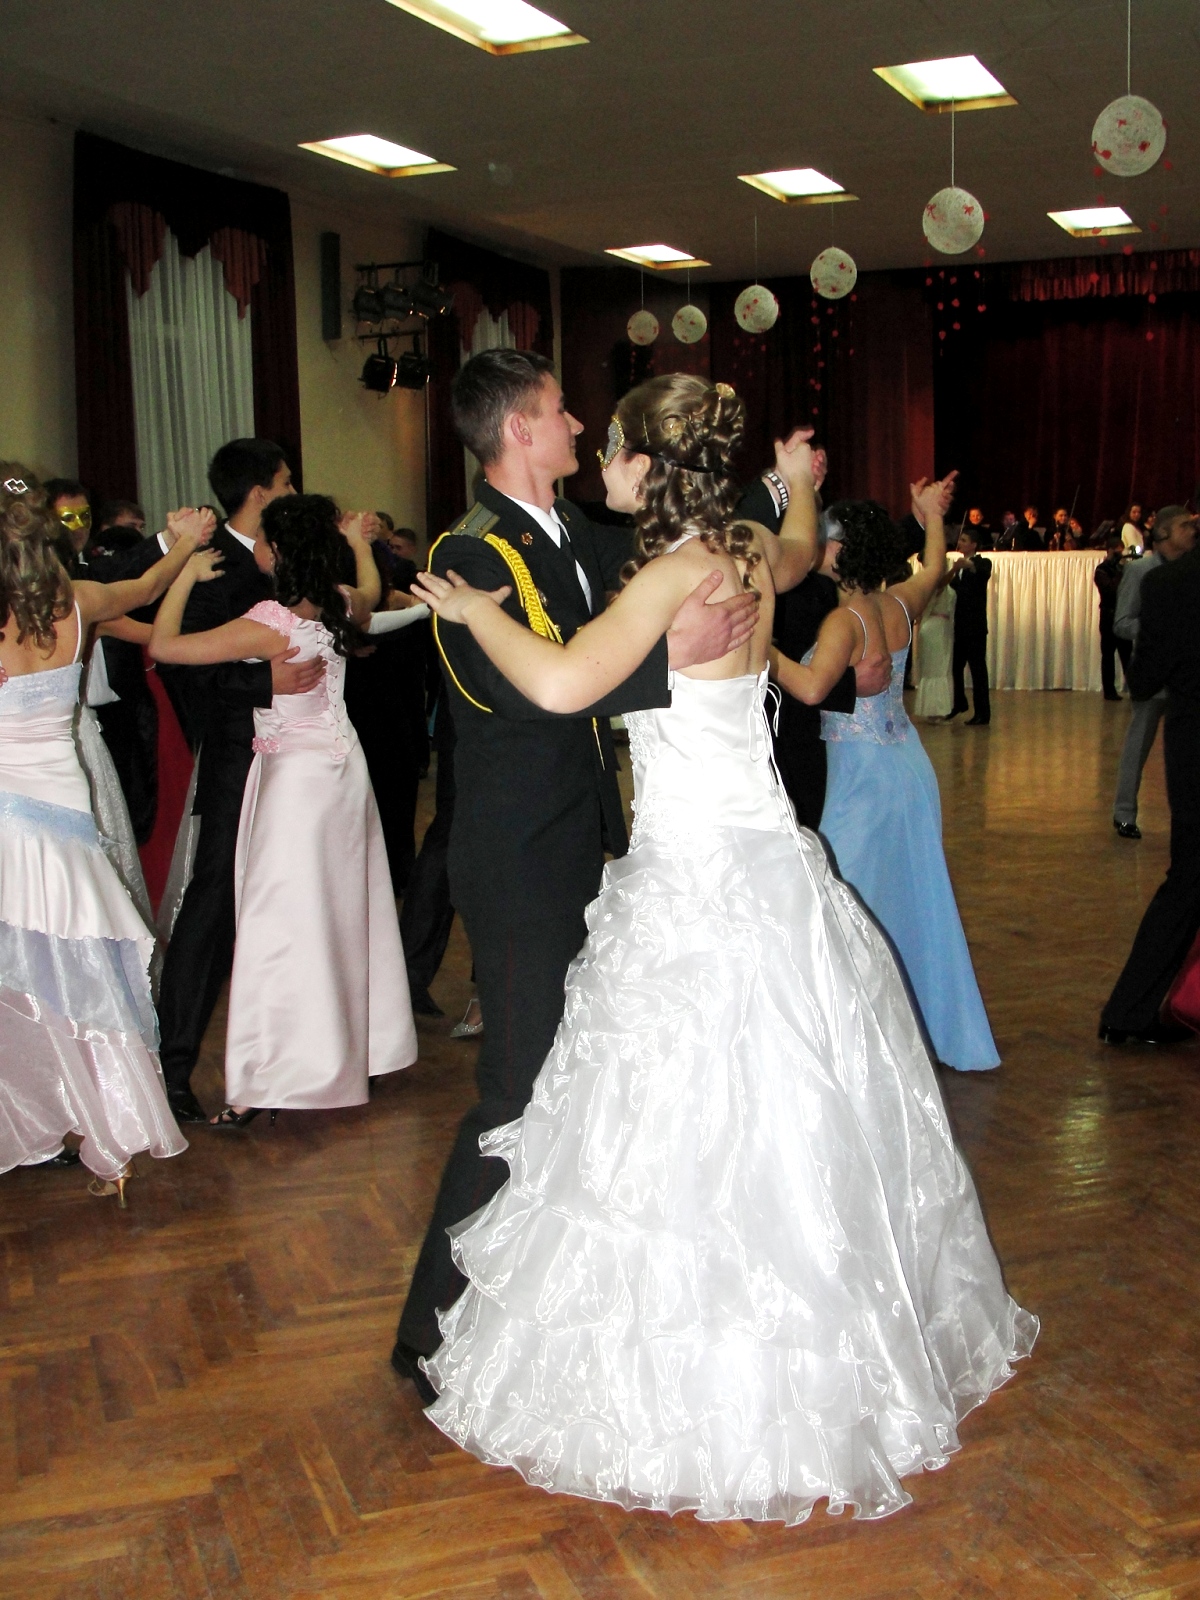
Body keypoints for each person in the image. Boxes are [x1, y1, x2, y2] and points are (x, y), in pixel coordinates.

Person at [411, 380, 1035, 1524]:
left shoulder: (665, 576)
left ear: (650, 467)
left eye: (616, 445)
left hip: (693, 876)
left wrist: (471, 613)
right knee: (791, 1111)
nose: (599, 453)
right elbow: (797, 549)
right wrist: (793, 485)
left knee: (682, 1122)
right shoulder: (746, 551)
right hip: (776, 867)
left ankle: (712, 1386)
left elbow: (559, 681)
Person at [389, 353, 763, 1393]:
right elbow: (517, 690)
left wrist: (771, 494)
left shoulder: (581, 532)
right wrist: (672, 658)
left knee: (577, 1075)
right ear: (520, 429)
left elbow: (689, 532)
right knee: (516, 1085)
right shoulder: (471, 551)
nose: (579, 425)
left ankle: (532, 1308)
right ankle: (431, 1330)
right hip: (516, 852)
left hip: (588, 838)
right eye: (560, 411)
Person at [151, 495, 417, 1121]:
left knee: (278, 925)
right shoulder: (340, 602)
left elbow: (164, 647)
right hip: (343, 771)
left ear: (276, 553)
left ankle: (274, 1079)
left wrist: (184, 575)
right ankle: (358, 1050)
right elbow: (373, 592)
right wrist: (358, 544)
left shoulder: (270, 620)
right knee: (346, 909)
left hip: (295, 783)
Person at [0, 469, 208, 1198]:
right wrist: (181, 544)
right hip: (64, 812)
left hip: (9, 813)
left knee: (27, 974)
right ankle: (107, 1139)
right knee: (77, 970)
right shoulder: (77, 602)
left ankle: (50, 1115)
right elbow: (146, 586)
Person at [776, 494, 1000, 1073]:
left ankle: (863, 1044)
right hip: (909, 767)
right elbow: (934, 567)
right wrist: (932, 517)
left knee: (849, 903)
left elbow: (810, 687)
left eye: (824, 539)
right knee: (918, 901)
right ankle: (921, 1031)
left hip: (862, 777)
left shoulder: (843, 621)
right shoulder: (899, 603)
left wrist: (762, 652)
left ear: (840, 551)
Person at [153, 439, 324, 1125]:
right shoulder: (212, 564)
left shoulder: (293, 551)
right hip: (236, 758)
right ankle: (172, 1066)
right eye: (285, 481)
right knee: (214, 903)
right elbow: (180, 667)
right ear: (259, 491)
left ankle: (292, 1058)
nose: (292, 491)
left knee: (293, 904)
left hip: (302, 762)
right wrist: (263, 684)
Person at [735, 457, 891, 829]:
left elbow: (811, 668)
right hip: (765, 732)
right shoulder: (764, 565)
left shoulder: (825, 588)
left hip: (802, 738)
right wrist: (848, 684)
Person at [1100, 523, 1200, 1045]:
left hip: (1193, 749)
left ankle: (1130, 1010)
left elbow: (1143, 679)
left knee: (1187, 881)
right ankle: (1129, 1010)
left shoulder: (1169, 584)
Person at [1111, 507, 1198, 839]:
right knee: (1138, 745)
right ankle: (1124, 812)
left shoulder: (1190, 570)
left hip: (1186, 676)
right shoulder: (1141, 570)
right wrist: (1160, 629)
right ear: (1163, 534)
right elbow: (1122, 623)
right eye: (1184, 526)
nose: (1192, 530)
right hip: (1154, 672)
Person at [948, 527, 992, 725]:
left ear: (973, 544)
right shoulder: (958, 568)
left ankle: (983, 713)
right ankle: (960, 703)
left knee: (978, 671)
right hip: (960, 626)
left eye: (964, 540)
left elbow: (980, 570)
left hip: (975, 627)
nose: (960, 543)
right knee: (956, 668)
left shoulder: (983, 562)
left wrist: (966, 564)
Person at [913, 557, 957, 719]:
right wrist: (954, 570)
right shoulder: (931, 584)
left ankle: (938, 709)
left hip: (942, 628)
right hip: (934, 628)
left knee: (942, 668)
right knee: (935, 668)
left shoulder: (939, 584)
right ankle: (934, 710)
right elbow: (940, 585)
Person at [1094, 534, 1131, 701]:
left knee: (1127, 655)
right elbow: (1110, 590)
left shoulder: (1124, 568)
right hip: (1108, 615)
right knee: (1108, 655)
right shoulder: (1101, 570)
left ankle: (1134, 689)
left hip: (1123, 614)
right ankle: (1109, 690)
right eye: (1117, 552)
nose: (1119, 555)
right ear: (1109, 551)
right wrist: (1119, 571)